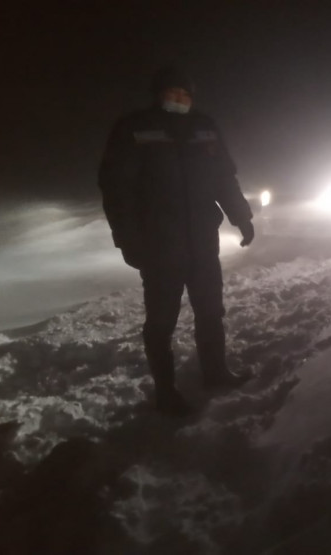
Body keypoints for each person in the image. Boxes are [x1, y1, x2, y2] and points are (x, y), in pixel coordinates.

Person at [98, 66, 254, 416]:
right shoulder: (134, 128)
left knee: (211, 310)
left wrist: (241, 216)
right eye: (172, 92)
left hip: (203, 240)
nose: (179, 99)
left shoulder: (205, 128)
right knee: (161, 321)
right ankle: (166, 393)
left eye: (185, 94)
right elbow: (116, 189)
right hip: (158, 244)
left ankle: (216, 373)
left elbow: (224, 178)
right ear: (158, 95)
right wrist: (127, 240)